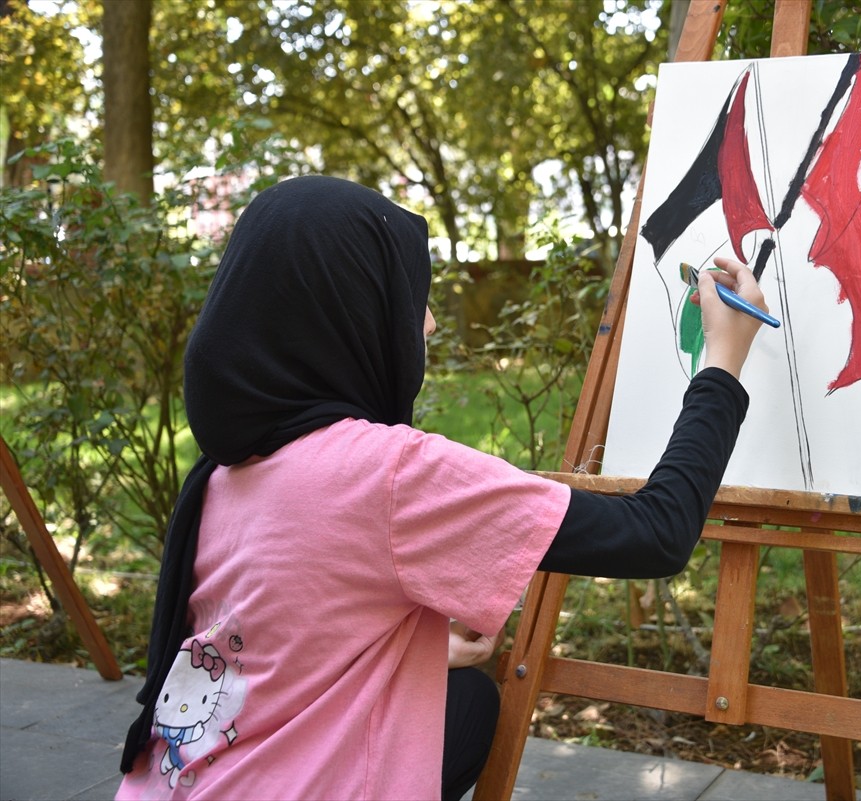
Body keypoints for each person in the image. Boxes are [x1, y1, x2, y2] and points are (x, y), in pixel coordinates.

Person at [117, 175, 767, 800]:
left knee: (468, 700)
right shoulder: (390, 474)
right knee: (472, 704)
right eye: (406, 295)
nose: (427, 323)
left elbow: (268, 641)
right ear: (347, 312)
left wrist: (409, 647)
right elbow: (655, 534)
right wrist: (723, 364)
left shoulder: (227, 470)